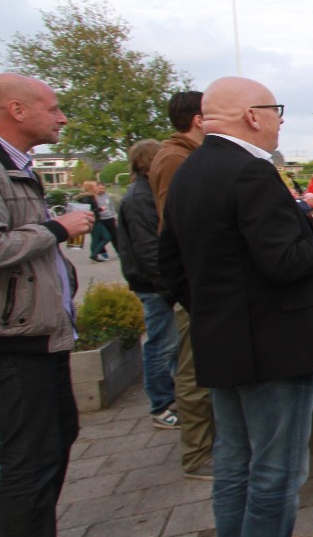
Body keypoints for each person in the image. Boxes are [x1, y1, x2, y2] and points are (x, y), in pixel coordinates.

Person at [160, 76, 313, 537]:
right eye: (276, 109)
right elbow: (285, 262)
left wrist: (221, 319)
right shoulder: (250, 171)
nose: (281, 119)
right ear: (252, 115)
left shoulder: (190, 169)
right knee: (275, 474)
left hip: (226, 344)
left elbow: (169, 266)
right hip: (275, 349)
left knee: (235, 471)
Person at [0, 74, 117, 537]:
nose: (62, 117)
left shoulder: (14, 167)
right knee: (31, 452)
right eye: (53, 107)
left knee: (53, 438)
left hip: (37, 333)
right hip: (11, 340)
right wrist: (57, 229)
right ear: (16, 110)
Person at [148, 90, 215, 481]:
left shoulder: (185, 156)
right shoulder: (176, 160)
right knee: (194, 370)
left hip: (198, 280)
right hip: (195, 283)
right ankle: (198, 455)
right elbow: (179, 226)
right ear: (198, 120)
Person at [115, 138, 180, 431]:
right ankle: (161, 405)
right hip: (154, 286)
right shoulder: (141, 198)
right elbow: (150, 249)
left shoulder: (142, 193)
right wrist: (171, 288)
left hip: (155, 284)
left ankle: (175, 398)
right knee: (161, 345)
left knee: (170, 344)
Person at [75, 181, 114, 262]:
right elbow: (88, 210)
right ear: (91, 188)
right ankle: (94, 255)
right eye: (95, 186)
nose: (97, 187)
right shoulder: (87, 198)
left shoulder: (91, 196)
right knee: (99, 238)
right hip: (94, 221)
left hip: (97, 220)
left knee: (105, 237)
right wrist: (99, 209)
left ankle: (94, 255)